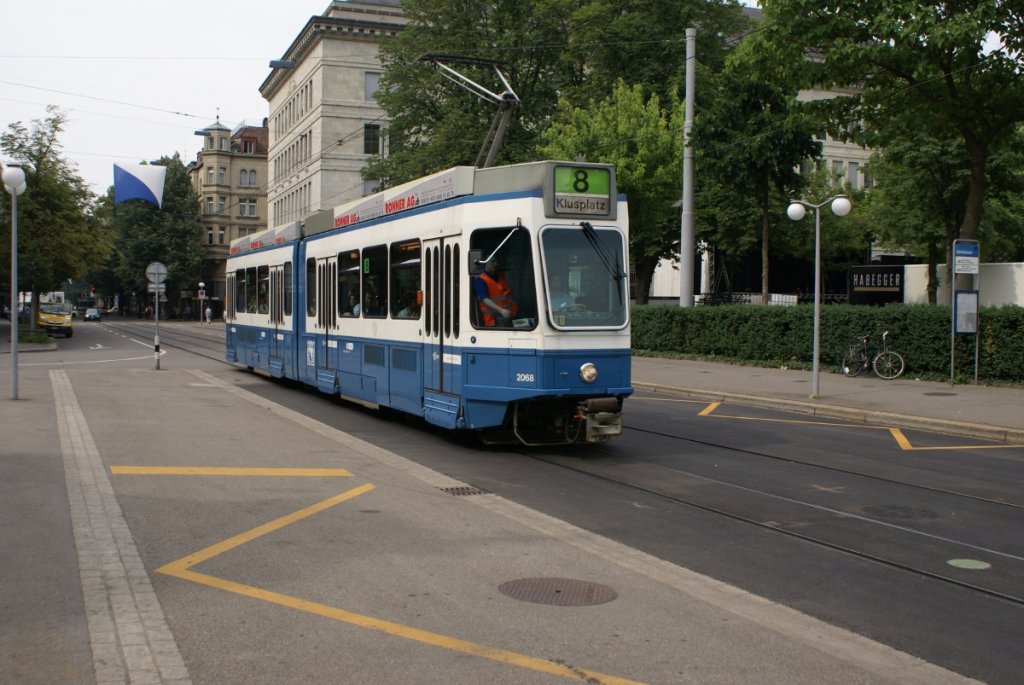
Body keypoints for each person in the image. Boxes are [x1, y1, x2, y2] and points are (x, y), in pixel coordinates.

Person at [474, 259, 517, 327]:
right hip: (494, 320)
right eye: (493, 261)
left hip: (510, 314)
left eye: (496, 261)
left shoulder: (501, 275)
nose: (496, 264)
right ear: (486, 263)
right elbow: (485, 299)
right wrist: (502, 311)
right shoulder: (480, 280)